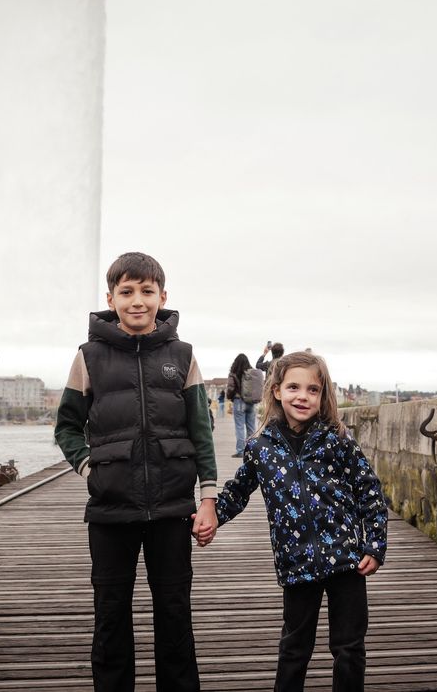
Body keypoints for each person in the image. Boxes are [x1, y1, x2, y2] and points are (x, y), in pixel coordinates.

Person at [53, 251, 217, 692]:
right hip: (110, 508)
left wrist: (208, 499)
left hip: (171, 508)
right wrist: (89, 466)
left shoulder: (182, 356)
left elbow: (201, 431)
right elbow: (67, 425)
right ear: (111, 298)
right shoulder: (89, 357)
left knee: (174, 614)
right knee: (110, 615)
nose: (137, 301)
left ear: (163, 297)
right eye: (126, 292)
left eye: (147, 291)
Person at [215, 351, 388, 692]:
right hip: (296, 563)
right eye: (294, 387)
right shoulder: (260, 447)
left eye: (313, 390)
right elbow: (237, 492)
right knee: (294, 648)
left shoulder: (337, 438)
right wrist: (208, 516)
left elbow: (369, 489)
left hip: (347, 560)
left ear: (323, 396)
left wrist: (376, 543)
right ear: (276, 391)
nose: (303, 396)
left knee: (349, 647)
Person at [226, 353, 256, 458]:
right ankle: (252, 450)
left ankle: (240, 451)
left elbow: (230, 388)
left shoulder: (234, 373)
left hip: (239, 401)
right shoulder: (251, 373)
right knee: (251, 428)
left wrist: (230, 397)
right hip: (251, 403)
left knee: (239, 427)